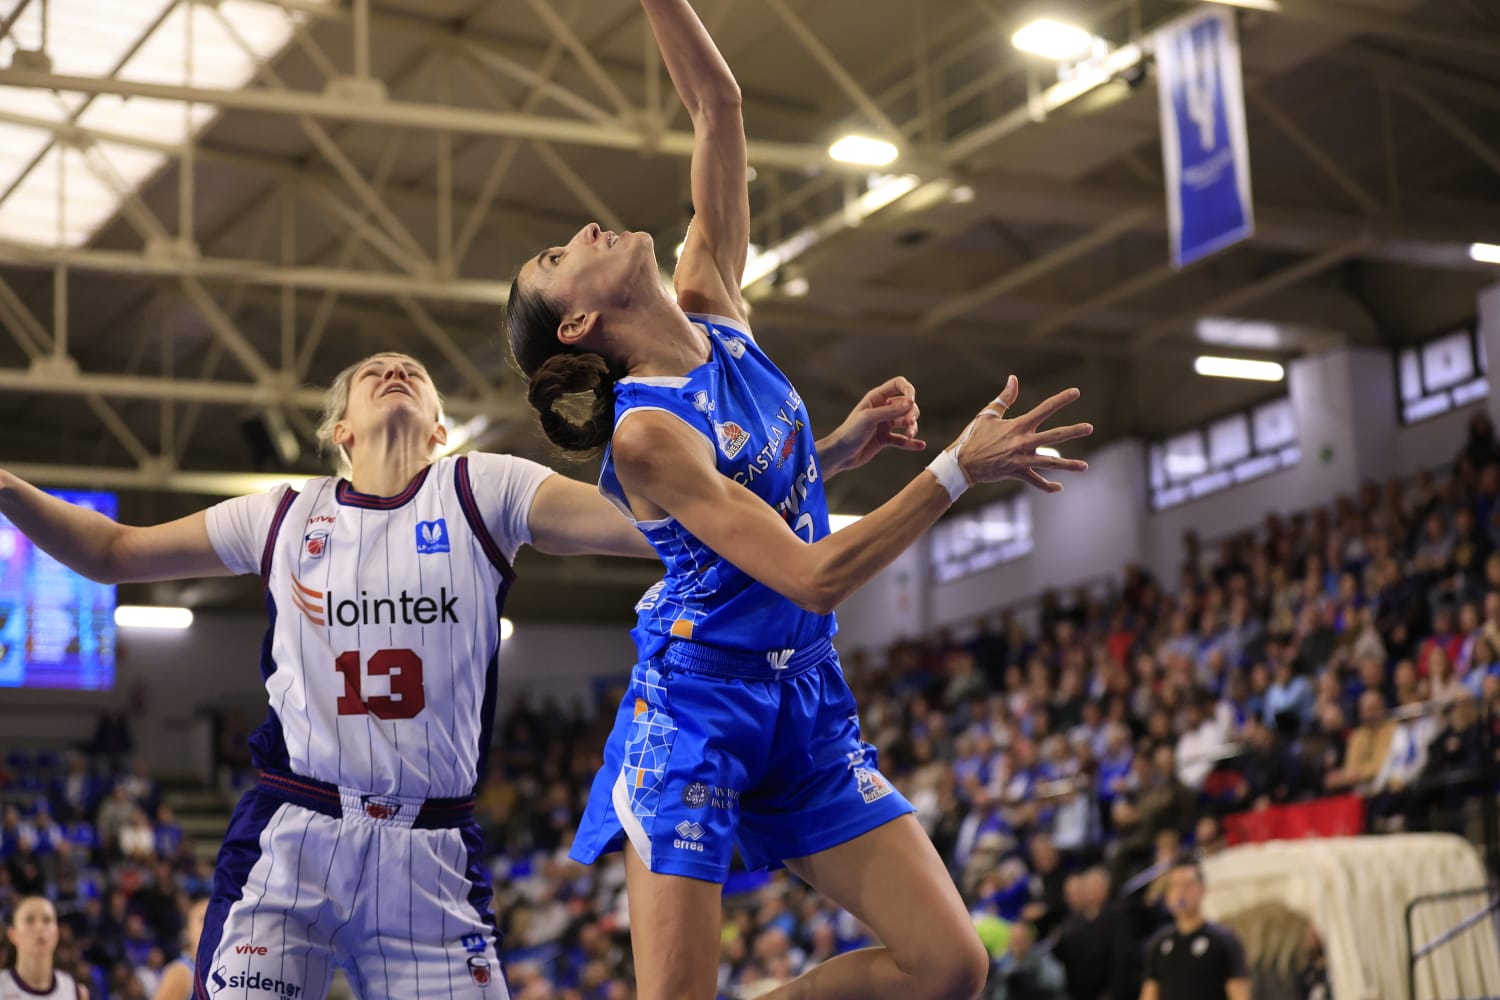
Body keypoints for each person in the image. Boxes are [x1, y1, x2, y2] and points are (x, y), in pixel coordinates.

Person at [503, 1, 1092, 996]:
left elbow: (718, 105)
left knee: (952, 965)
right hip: (697, 713)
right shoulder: (646, 433)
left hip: (803, 697)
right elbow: (812, 573)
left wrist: (835, 450)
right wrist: (954, 468)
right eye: (561, 257)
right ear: (582, 325)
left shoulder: (712, 296)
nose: (585, 229)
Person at [0, 350, 691, 1000]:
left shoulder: (484, 488)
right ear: (341, 430)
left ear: (441, 429)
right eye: (373, 372)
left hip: (433, 850)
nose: (394, 368)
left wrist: (771, 496)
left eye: (413, 373)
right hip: (297, 833)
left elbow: (654, 525)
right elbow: (114, 551)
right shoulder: (284, 514)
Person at [1140, 858, 1250, 1000]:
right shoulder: (1158, 943)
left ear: (1202, 889)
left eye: (1187, 885)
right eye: (1175, 886)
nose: (1181, 892)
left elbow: (1239, 992)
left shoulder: (1224, 940)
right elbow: (1150, 993)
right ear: (1167, 895)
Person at [2, 896, 89, 1000]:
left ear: (56, 934)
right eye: (29, 920)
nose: (40, 927)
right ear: (13, 935)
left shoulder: (75, 991)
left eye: (47, 920)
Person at [150, 898, 207, 1000]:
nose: (209, 926)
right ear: (188, 933)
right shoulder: (181, 972)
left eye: (215, 920)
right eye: (202, 920)